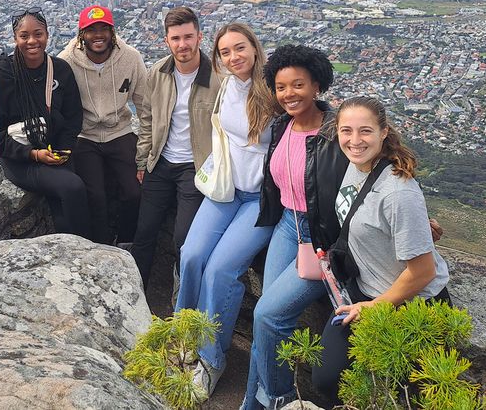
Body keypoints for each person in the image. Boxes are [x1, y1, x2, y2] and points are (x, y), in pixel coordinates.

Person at [311, 96, 450, 402]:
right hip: (363, 292)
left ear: (384, 132)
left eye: (365, 131)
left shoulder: (399, 192)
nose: (355, 140)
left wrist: (375, 307)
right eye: (346, 131)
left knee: (408, 395)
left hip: (410, 307)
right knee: (325, 377)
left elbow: (423, 271)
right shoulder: (356, 166)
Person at [175, 23, 281, 397]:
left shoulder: (274, 89)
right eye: (225, 52)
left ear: (254, 47)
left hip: (260, 200)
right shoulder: (225, 88)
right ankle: (183, 335)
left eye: (240, 48)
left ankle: (210, 359)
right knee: (191, 255)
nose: (234, 57)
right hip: (226, 191)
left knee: (220, 271)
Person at [243, 44, 347, 410]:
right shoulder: (281, 124)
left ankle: (280, 401)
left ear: (317, 85)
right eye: (282, 87)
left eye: (298, 85)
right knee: (264, 323)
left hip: (321, 236)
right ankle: (251, 404)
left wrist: (418, 217)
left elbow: (379, 167)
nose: (289, 94)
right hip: (289, 225)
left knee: (268, 315)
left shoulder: (338, 132)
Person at [132, 6, 222, 290]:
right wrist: (142, 161)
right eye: (175, 38)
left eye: (188, 37)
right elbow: (146, 119)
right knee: (144, 231)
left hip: (196, 168)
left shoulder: (218, 79)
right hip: (160, 162)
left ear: (199, 37)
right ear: (166, 41)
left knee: (183, 237)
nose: (182, 45)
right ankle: (136, 290)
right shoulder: (157, 72)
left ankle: (180, 295)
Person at [0, 7, 90, 238]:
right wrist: (33, 154)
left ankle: (72, 251)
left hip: (54, 149)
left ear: (47, 35)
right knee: (72, 187)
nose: (32, 41)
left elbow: (73, 116)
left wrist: (63, 149)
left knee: (66, 198)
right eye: (24, 36)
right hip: (19, 158)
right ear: (15, 39)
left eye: (38, 34)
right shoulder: (2, 75)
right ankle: (84, 247)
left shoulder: (60, 70)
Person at [59, 5, 148, 245]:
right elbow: (57, 106)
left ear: (112, 32)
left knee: (134, 192)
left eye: (103, 29)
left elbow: (144, 106)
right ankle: (100, 245)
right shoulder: (66, 61)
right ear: (81, 34)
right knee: (94, 196)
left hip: (119, 130)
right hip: (84, 135)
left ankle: (126, 241)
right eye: (91, 30)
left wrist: (144, 154)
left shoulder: (130, 58)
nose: (98, 35)